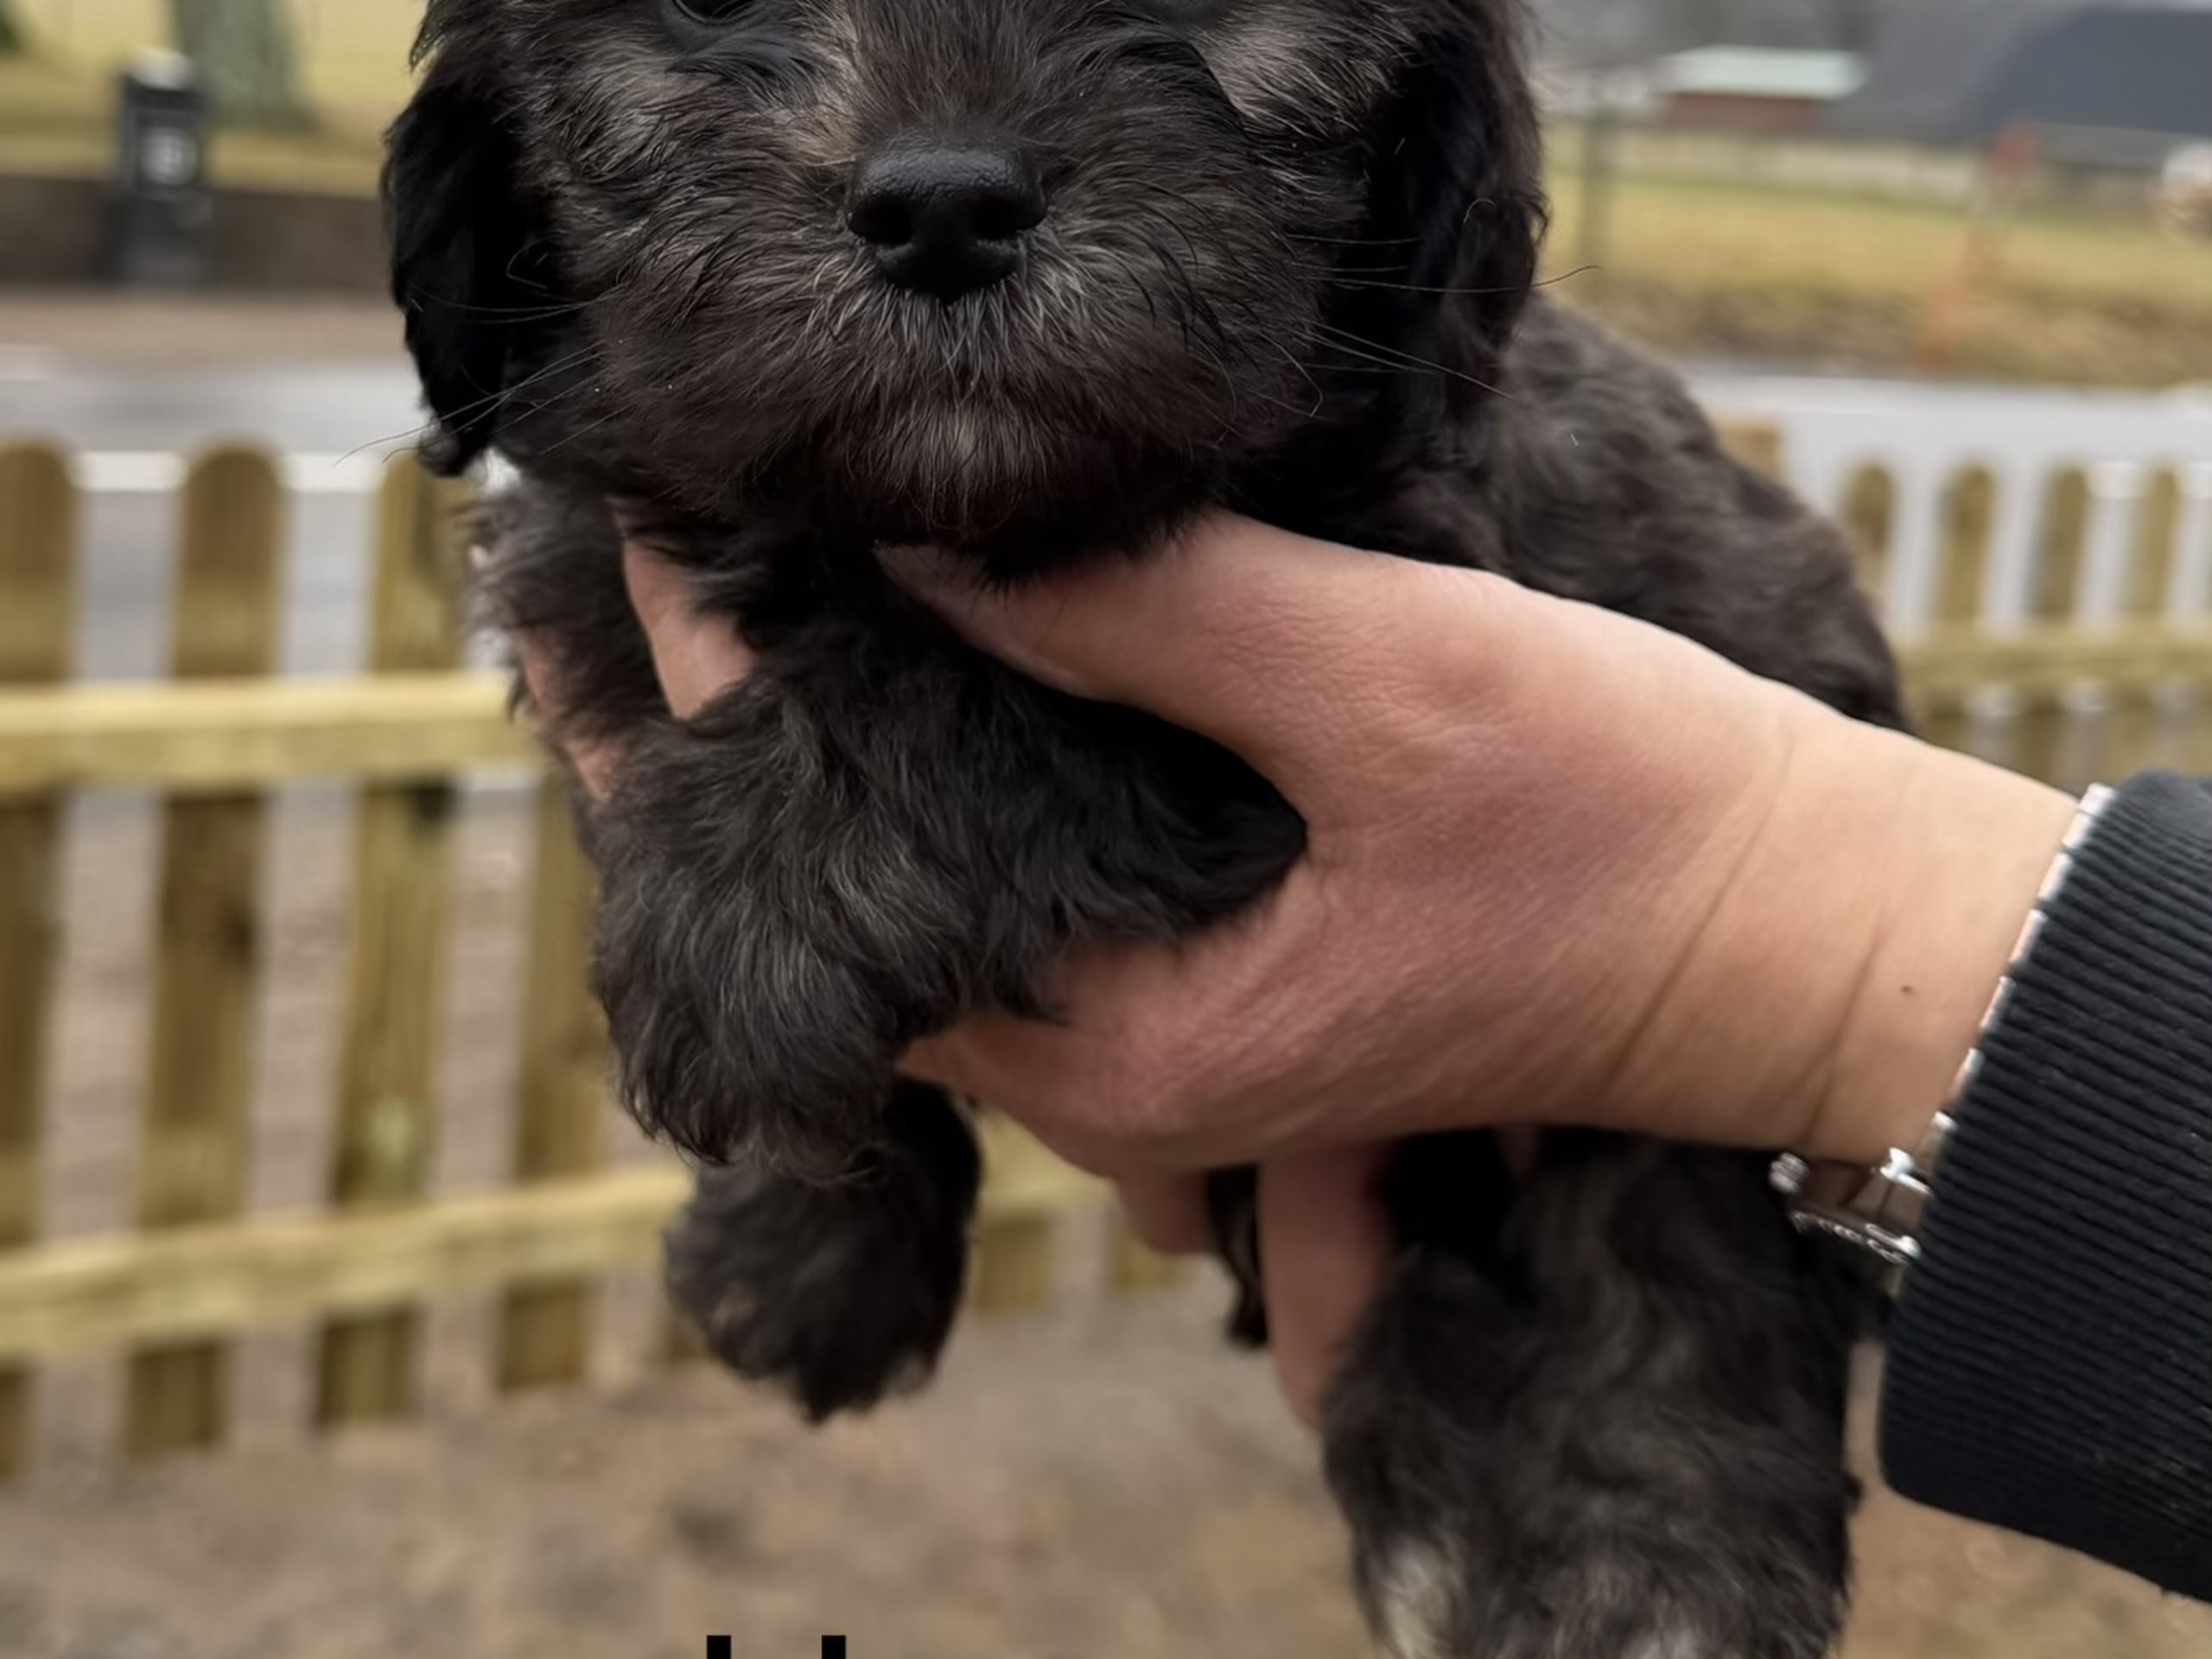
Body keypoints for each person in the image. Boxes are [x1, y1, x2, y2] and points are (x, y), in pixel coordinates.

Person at [537, 514, 2210, 1604]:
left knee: (1634, 1429)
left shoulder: (1351, 451)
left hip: (1638, 1143)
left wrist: (1790, 955)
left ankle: (1660, 1435)